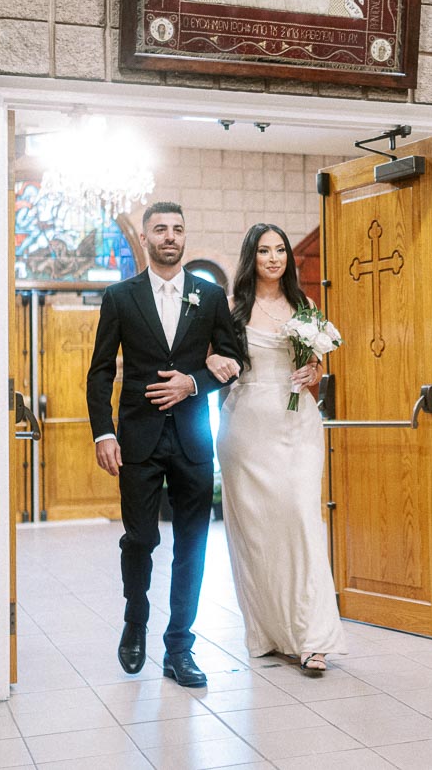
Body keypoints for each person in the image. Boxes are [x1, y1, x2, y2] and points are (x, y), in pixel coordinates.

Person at [86, 202, 241, 687]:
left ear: (183, 236)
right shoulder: (121, 296)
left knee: (192, 544)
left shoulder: (210, 296)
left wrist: (193, 383)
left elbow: (234, 357)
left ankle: (180, 648)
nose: (170, 236)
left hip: (193, 439)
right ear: (148, 239)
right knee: (140, 539)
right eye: (160, 229)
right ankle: (136, 621)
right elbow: (101, 371)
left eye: (177, 228)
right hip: (139, 438)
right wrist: (104, 432)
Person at [205, 223, 346, 674]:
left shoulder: (305, 308)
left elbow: (313, 365)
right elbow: (207, 358)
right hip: (246, 429)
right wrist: (215, 360)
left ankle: (313, 636)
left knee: (303, 519)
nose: (273, 258)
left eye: (280, 250)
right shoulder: (231, 310)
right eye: (264, 250)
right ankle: (269, 630)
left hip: (297, 425)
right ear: (252, 257)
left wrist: (315, 373)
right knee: (260, 535)